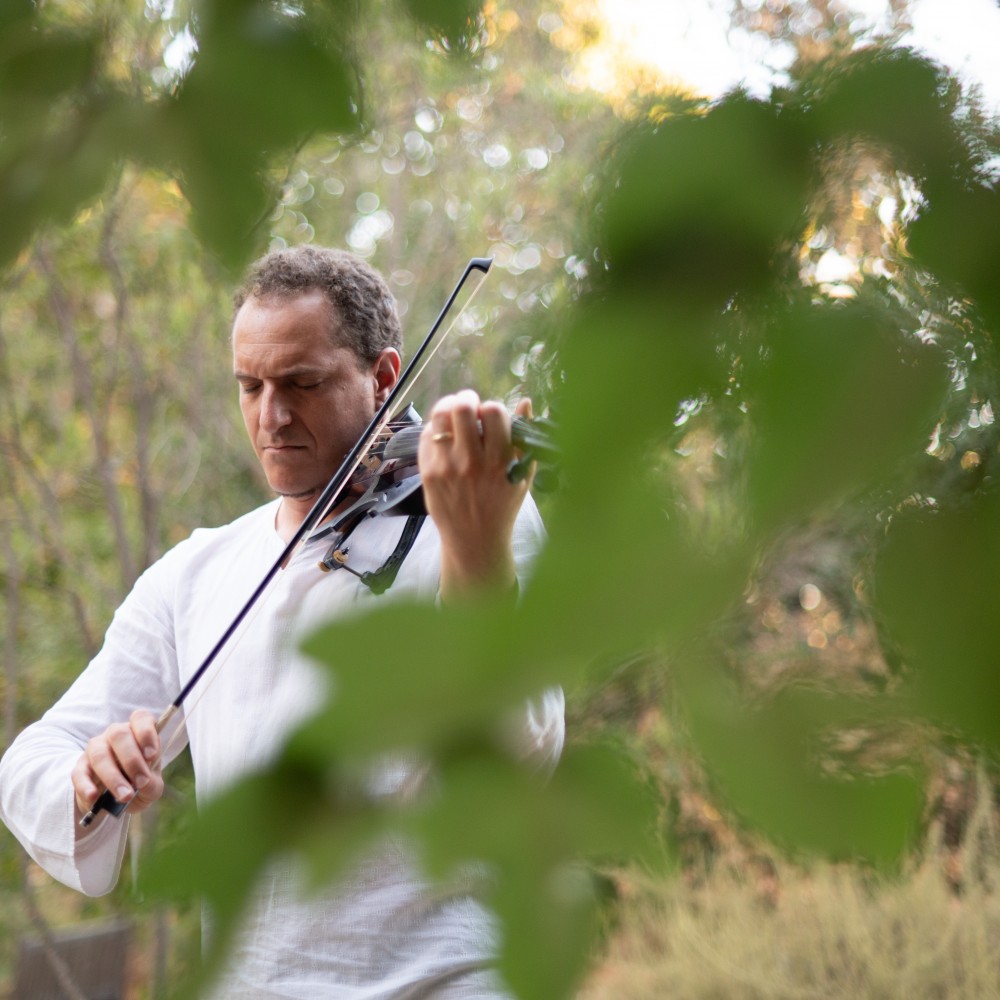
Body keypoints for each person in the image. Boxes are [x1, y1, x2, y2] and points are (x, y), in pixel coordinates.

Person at [0, 245, 564, 999]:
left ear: (384, 378)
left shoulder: (476, 519)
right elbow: (30, 759)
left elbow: (519, 749)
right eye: (251, 386)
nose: (272, 416)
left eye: (303, 383)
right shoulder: (195, 573)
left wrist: (473, 549)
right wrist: (86, 775)